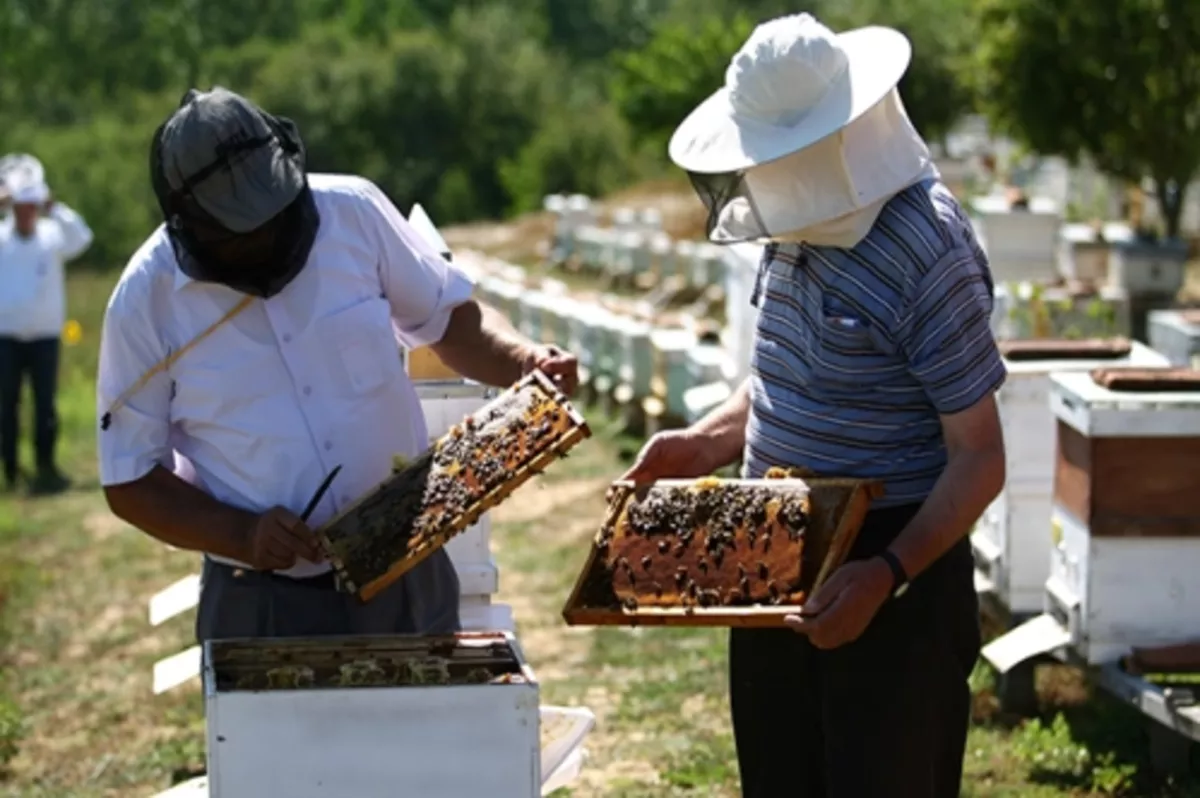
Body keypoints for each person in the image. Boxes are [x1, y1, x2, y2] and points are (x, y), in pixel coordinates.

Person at [624, 14, 1006, 798]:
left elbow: (981, 457)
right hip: (774, 548)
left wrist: (885, 573)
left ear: (840, 138)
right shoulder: (792, 220)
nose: (763, 176)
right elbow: (782, 377)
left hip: (897, 567)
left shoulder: (927, 250)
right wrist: (706, 442)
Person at [97, 87, 579, 644]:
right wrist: (241, 532)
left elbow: (449, 318)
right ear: (189, 221)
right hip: (262, 601)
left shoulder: (353, 212)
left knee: (430, 730)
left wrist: (523, 359)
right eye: (238, 229)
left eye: (271, 216)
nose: (261, 236)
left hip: (409, 560)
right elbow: (129, 478)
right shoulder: (144, 302)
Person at [0, 177, 94, 493]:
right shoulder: (1, 237)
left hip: (44, 336)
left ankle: (46, 468)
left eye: (31, 208)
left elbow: (82, 238)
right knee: (6, 406)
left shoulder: (52, 235)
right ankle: (10, 470)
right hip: (6, 337)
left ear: (37, 208)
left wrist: (56, 208)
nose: (25, 214)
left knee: (45, 406)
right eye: (19, 208)